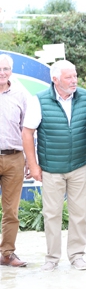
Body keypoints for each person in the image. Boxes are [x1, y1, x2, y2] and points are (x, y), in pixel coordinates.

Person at [22, 60, 86, 272]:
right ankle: (52, 258)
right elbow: (27, 132)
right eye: (68, 77)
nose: (74, 80)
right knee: (52, 214)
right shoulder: (39, 101)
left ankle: (77, 256)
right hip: (51, 168)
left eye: (75, 76)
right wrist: (34, 166)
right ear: (55, 79)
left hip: (79, 166)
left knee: (79, 213)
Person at [0, 54, 29, 268]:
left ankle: (7, 253)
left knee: (11, 211)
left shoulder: (21, 94)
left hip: (14, 158)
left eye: (6, 69)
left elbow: (27, 130)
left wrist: (30, 158)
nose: (2, 73)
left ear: (11, 71)